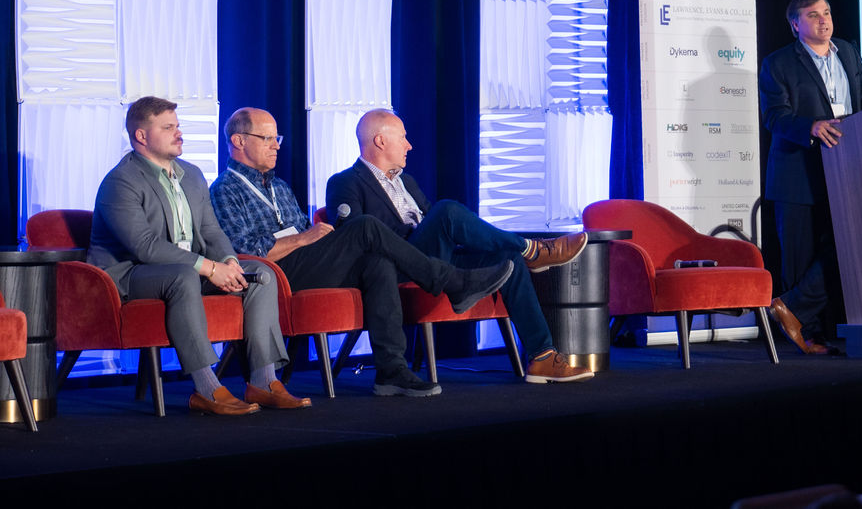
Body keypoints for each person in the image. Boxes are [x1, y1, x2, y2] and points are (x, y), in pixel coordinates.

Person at [210, 108, 514, 397]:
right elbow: (242, 252)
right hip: (274, 275)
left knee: (377, 263)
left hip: (308, 262)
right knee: (365, 225)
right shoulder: (225, 189)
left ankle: (391, 371)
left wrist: (318, 240)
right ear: (239, 141)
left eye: (277, 138)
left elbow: (304, 232)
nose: (276, 146)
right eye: (267, 138)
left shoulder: (279, 187)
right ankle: (450, 281)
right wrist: (304, 238)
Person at [325, 109, 595, 384]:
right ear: (380, 141)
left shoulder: (407, 182)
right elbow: (356, 238)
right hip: (394, 269)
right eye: (403, 137)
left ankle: (543, 356)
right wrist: (423, 231)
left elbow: (435, 228)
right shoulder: (344, 183)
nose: (409, 145)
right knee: (445, 211)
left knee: (508, 259)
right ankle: (533, 250)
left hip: (436, 261)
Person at [88, 96, 309, 415]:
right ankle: (207, 389)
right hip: (130, 275)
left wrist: (229, 262)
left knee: (260, 275)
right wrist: (209, 268)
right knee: (183, 276)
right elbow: (145, 246)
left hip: (187, 269)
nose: (179, 133)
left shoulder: (191, 175)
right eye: (168, 128)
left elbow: (211, 231)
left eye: (177, 126)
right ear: (141, 136)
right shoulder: (120, 181)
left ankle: (263, 381)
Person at [759, 0, 862, 354]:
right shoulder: (778, 63)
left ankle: (791, 308)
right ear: (795, 24)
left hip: (847, 170)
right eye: (813, 15)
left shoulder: (847, 51)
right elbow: (774, 116)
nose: (824, 20)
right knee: (799, 259)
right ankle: (810, 335)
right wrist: (811, 126)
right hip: (797, 174)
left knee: (845, 249)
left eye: (827, 12)